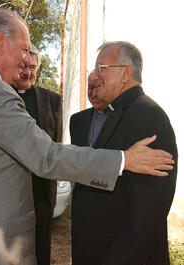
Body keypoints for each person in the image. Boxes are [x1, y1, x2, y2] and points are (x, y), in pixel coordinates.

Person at [0, 8, 174, 265]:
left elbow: (147, 214)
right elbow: (46, 156)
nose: (27, 58)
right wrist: (123, 160)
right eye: (25, 49)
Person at [70, 41, 178, 265]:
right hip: (95, 249)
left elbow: (146, 214)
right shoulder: (118, 111)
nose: (96, 76)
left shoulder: (148, 115)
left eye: (102, 68)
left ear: (126, 73)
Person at [12, 45, 62, 265]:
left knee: (41, 248)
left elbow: (57, 144)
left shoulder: (53, 100)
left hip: (41, 191)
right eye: (23, 66)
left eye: (32, 67)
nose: (28, 72)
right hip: (10, 191)